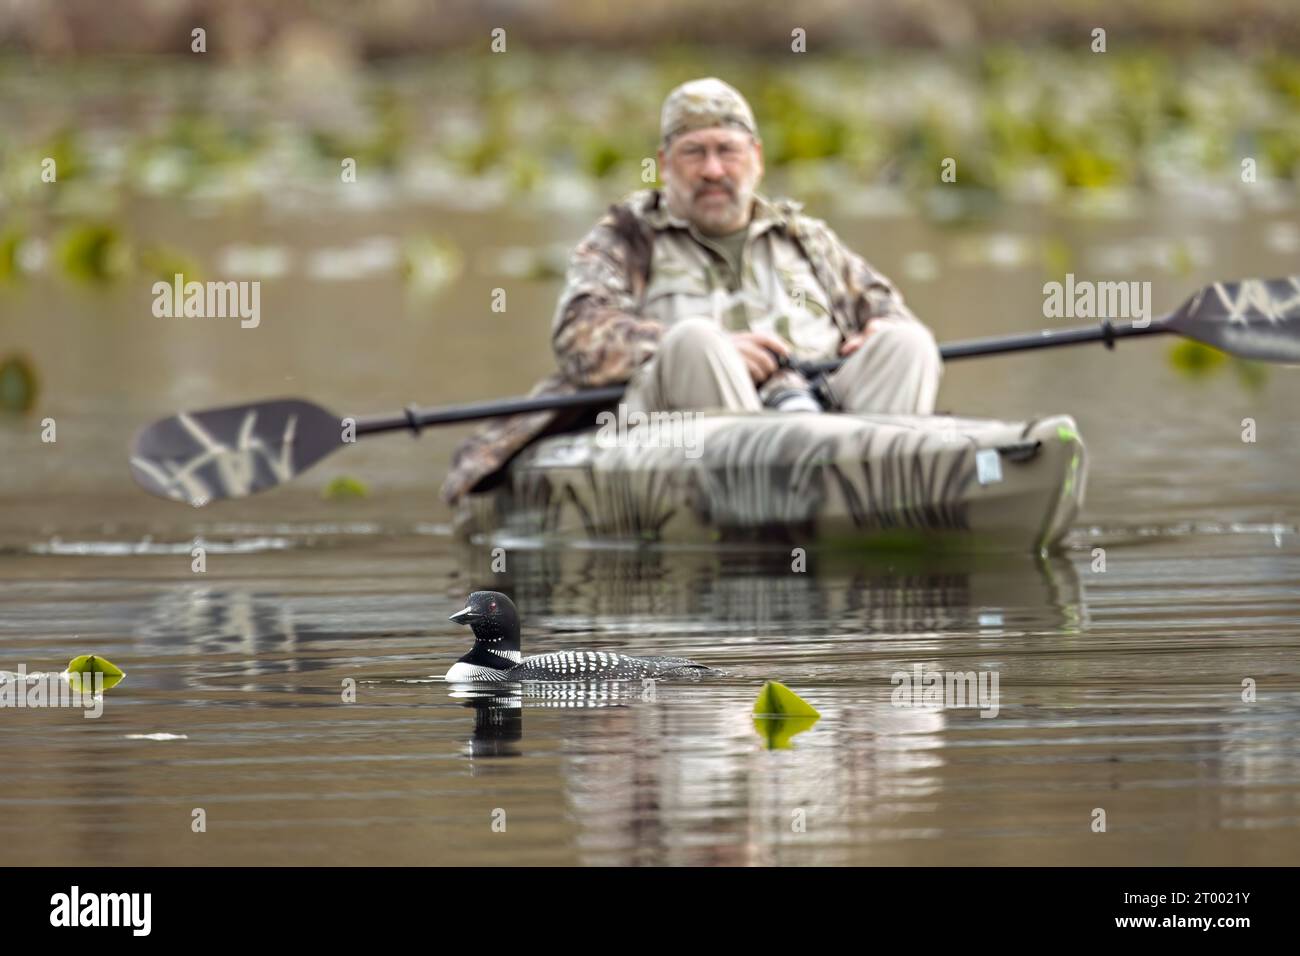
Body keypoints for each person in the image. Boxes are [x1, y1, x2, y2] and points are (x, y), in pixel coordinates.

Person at [441, 77, 941, 503]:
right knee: (697, 340)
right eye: (694, 153)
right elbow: (577, 338)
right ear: (664, 162)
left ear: (757, 159)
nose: (713, 170)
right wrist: (709, 349)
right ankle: (768, 497)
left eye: (727, 151)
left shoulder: (807, 238)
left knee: (908, 344)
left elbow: (887, 311)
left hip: (823, 410)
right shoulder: (626, 236)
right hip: (675, 434)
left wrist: (882, 328)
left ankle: (886, 493)